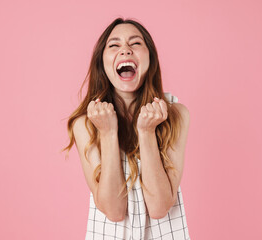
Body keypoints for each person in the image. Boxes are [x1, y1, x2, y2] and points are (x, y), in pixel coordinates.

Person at [63, 17, 191, 240]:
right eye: (114, 45)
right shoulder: (86, 123)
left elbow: (160, 208)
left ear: (150, 58)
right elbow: (113, 211)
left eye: (135, 43)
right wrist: (108, 132)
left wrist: (147, 132)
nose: (125, 50)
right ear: (101, 62)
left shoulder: (176, 115)